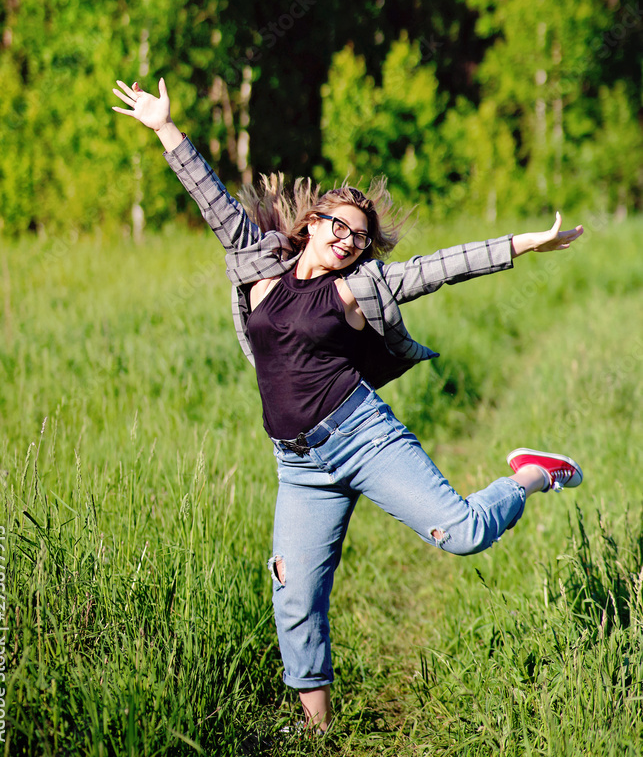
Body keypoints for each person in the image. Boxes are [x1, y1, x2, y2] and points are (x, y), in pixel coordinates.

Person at [112, 76, 585, 734]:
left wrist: (522, 244)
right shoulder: (260, 268)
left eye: (359, 237)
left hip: (361, 436)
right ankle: (318, 733)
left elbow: (440, 267)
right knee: (294, 594)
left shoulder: (356, 289)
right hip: (297, 464)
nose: (347, 239)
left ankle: (533, 474)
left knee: (463, 533)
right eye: (338, 226)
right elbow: (212, 199)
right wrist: (165, 127)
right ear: (312, 225)